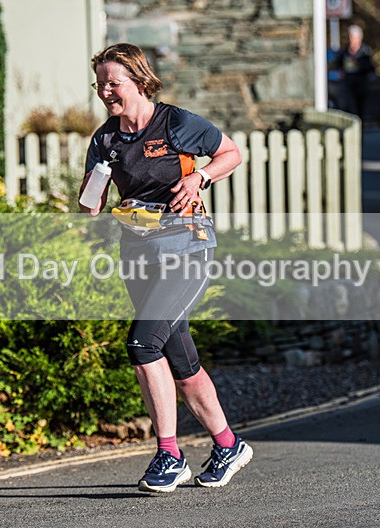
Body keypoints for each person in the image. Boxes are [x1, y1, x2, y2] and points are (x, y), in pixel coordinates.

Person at [79, 43, 252, 493]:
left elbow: (230, 153)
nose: (106, 92)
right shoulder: (105, 139)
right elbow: (90, 207)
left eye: (113, 82)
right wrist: (97, 180)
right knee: (180, 359)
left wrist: (199, 177)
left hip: (186, 250)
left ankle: (169, 455)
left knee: (142, 342)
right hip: (138, 255)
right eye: (100, 84)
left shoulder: (175, 122)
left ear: (138, 79)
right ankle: (228, 444)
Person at [331, 25, 375, 118]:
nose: (351, 40)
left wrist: (359, 65)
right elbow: (338, 64)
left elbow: (370, 68)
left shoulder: (365, 51)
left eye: (353, 37)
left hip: (361, 85)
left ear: (359, 38)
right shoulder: (345, 52)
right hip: (348, 85)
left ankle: (359, 130)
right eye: (350, 37)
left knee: (360, 110)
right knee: (350, 109)